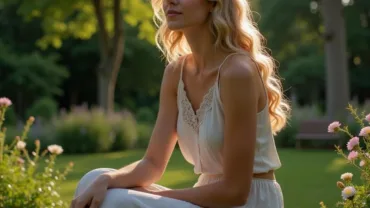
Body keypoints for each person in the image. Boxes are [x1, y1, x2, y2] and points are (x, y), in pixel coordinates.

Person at [71, 0, 291, 207]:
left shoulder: (237, 72)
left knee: (118, 202)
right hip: (205, 197)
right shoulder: (176, 73)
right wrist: (109, 178)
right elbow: (152, 164)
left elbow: (235, 192)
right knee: (94, 179)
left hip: (248, 201)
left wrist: (152, 196)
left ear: (213, 3)